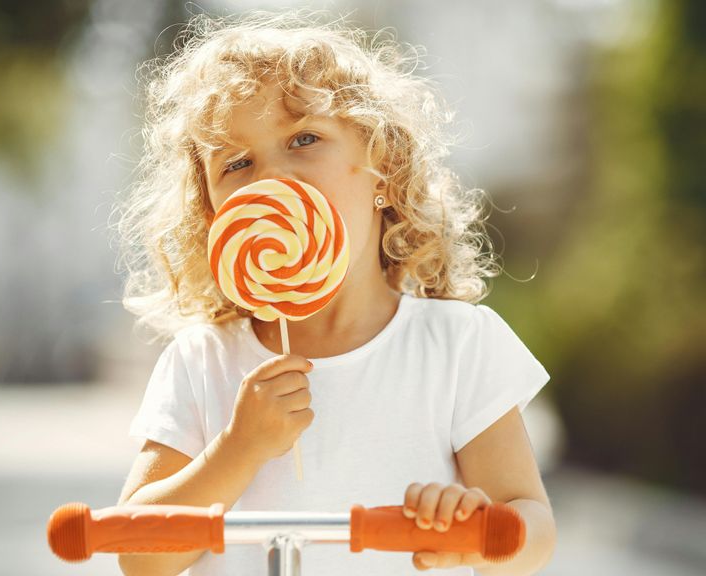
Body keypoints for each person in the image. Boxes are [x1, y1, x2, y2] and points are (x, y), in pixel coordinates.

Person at [111, 10, 555, 576]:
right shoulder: (205, 363)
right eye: (238, 163)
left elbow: (533, 525)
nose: (270, 178)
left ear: (384, 169)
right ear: (212, 213)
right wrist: (238, 448)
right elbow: (138, 554)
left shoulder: (458, 347)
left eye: (304, 139)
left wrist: (483, 537)